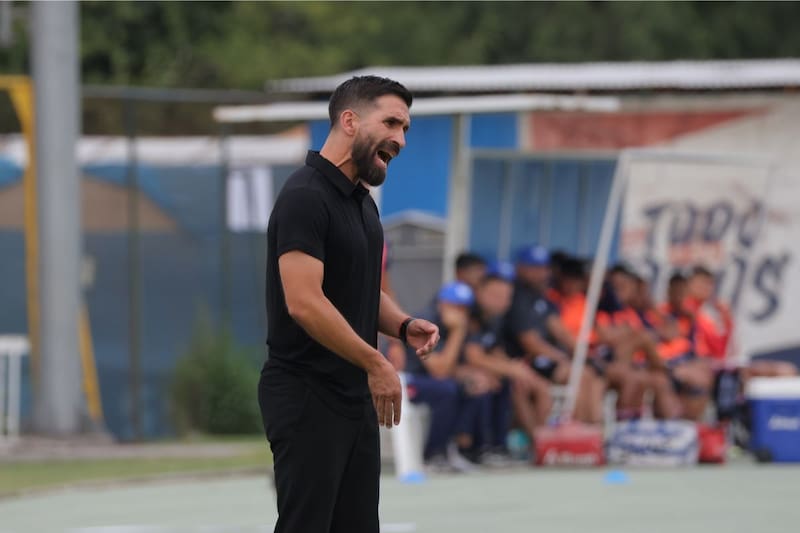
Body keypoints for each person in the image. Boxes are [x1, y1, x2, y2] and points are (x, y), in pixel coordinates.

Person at [259, 76, 440, 533]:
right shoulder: (305, 197)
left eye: (405, 129)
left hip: (351, 395)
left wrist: (401, 325)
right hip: (306, 393)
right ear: (349, 120)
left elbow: (357, 287)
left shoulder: (363, 204)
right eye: (392, 123)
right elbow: (304, 302)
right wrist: (376, 362)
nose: (400, 139)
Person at [463, 265, 551, 464]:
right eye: (495, 295)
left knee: (523, 385)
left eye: (506, 297)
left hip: (481, 371)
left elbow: (495, 351)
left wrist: (516, 370)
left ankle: (523, 446)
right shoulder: (472, 316)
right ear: (480, 292)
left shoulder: (495, 319)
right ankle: (481, 447)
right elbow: (473, 357)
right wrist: (510, 369)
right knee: (488, 384)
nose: (502, 301)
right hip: (456, 371)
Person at [404, 281, 490, 472]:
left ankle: (461, 448)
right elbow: (440, 371)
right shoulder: (425, 322)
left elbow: (453, 367)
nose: (460, 313)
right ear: (441, 304)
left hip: (432, 380)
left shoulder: (460, 324)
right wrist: (458, 331)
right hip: (407, 380)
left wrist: (472, 375)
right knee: (447, 390)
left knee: (476, 385)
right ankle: (433, 454)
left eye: (464, 308)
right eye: (455, 306)